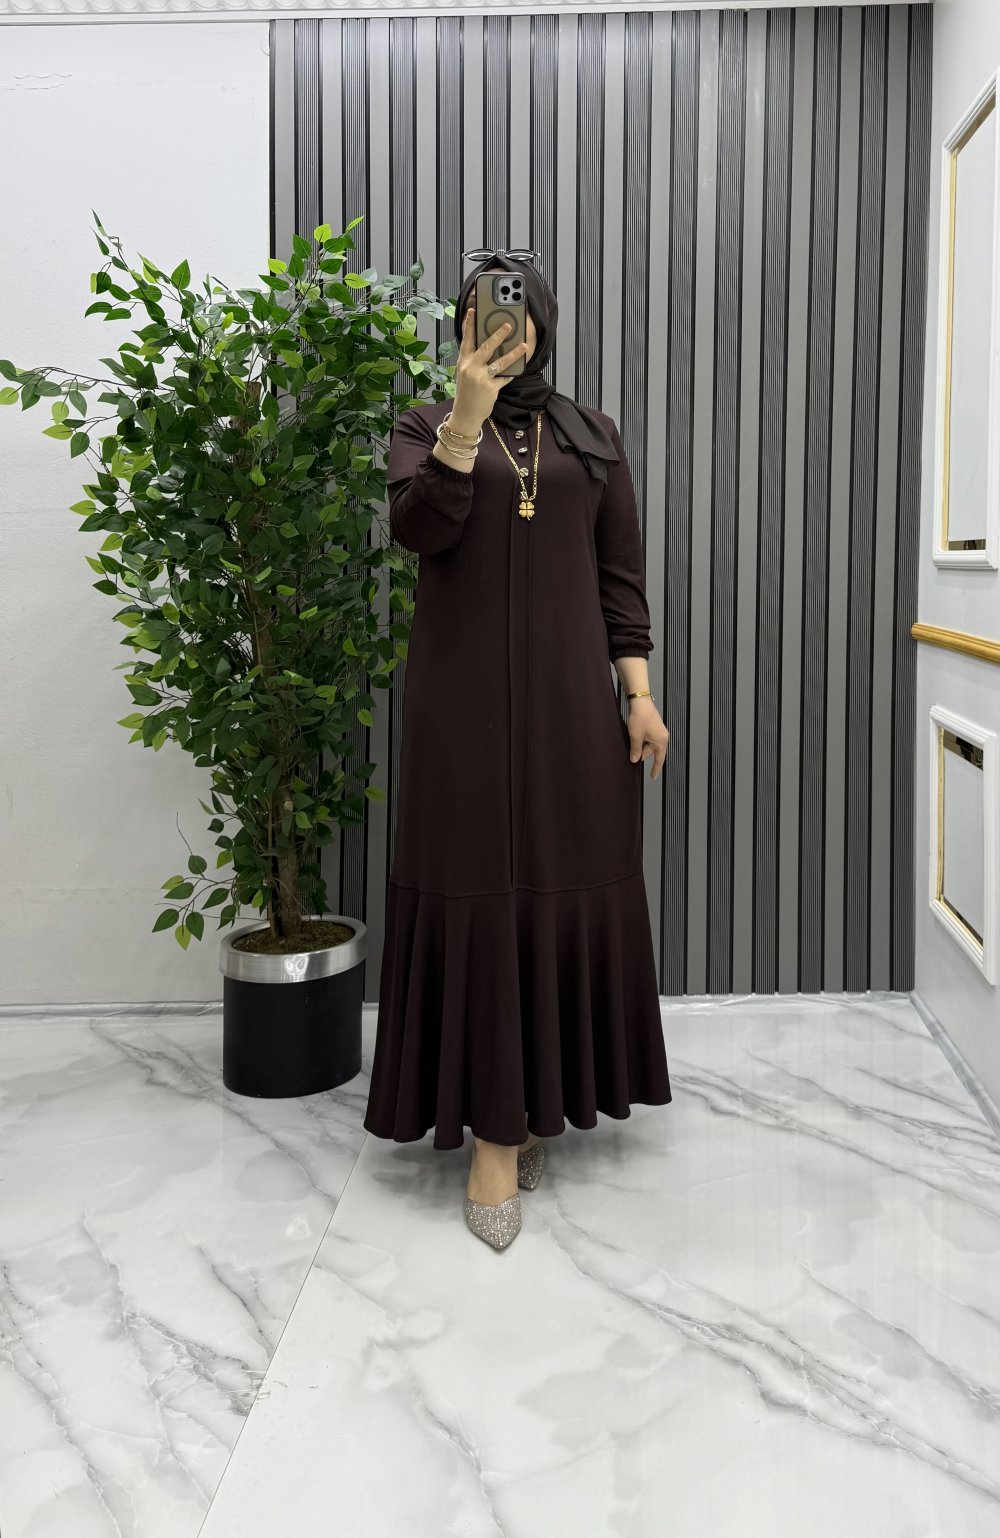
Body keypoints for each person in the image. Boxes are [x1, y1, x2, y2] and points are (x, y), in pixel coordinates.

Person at [363, 250, 673, 1250]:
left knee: (557, 880)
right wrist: (465, 416)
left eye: (515, 309)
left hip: (571, 709)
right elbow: (420, 531)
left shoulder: (593, 434)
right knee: (475, 883)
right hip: (459, 709)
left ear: (540, 320)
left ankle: (537, 1104)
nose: (500, 323)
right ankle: (494, 1136)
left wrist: (638, 696)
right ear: (461, 327)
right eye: (481, 311)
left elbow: (618, 575)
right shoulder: (424, 426)